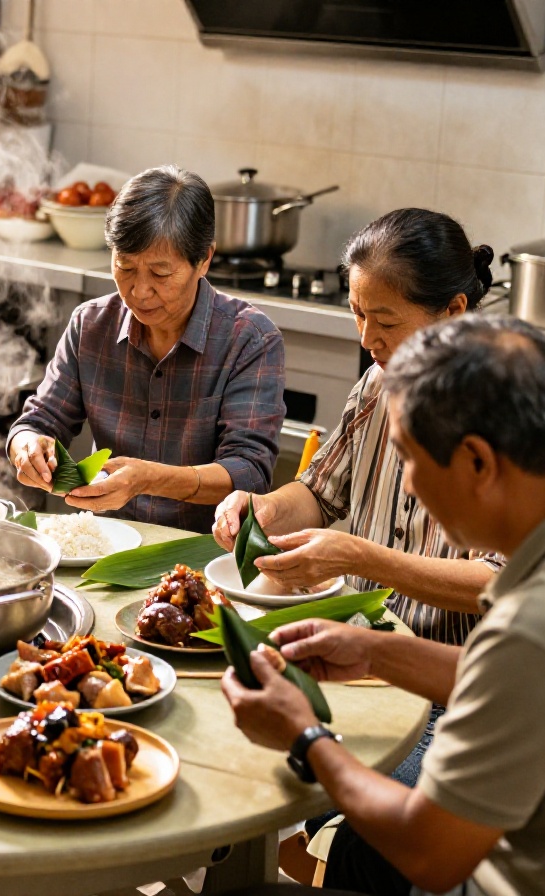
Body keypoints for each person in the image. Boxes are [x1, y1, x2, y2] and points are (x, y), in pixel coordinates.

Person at [222, 315, 545, 896]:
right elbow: (530, 687)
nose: (412, 487)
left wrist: (303, 736)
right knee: (355, 852)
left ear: (477, 460)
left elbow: (430, 854)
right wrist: (377, 651)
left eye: (412, 460)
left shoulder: (544, 622)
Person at [214, 209, 501, 645]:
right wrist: (265, 509)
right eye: (357, 314)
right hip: (365, 639)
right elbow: (320, 492)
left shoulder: (504, 413)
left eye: (387, 322)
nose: (367, 340)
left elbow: (500, 584)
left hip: (449, 673)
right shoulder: (378, 383)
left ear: (453, 310)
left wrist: (363, 559)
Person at [8, 165, 285, 531]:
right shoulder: (90, 324)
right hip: (102, 542)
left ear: (204, 259)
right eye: (124, 266)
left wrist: (151, 479)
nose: (138, 291)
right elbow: (38, 422)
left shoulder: (249, 338)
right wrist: (27, 447)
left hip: (199, 556)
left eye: (160, 273)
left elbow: (249, 472)